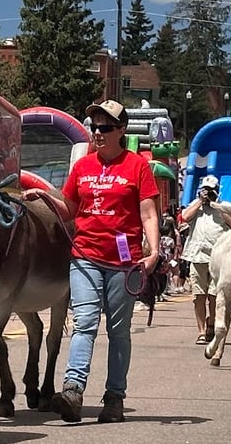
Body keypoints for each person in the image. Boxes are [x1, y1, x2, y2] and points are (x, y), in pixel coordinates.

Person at [27, 100, 159, 424]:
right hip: (85, 256)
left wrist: (153, 251)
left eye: (106, 128)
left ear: (122, 131)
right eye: (95, 127)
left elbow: (148, 212)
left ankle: (114, 397)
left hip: (124, 261)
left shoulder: (137, 166)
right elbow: (69, 210)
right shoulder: (83, 167)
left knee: (118, 331)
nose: (98, 133)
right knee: (84, 322)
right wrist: (44, 198)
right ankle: (73, 390)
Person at [179, 174, 231, 344]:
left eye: (211, 191)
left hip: (217, 258)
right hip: (197, 255)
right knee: (198, 296)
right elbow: (185, 217)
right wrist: (200, 202)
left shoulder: (224, 206)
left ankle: (211, 322)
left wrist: (215, 204)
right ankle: (202, 331)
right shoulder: (195, 206)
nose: (208, 194)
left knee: (214, 295)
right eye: (206, 191)